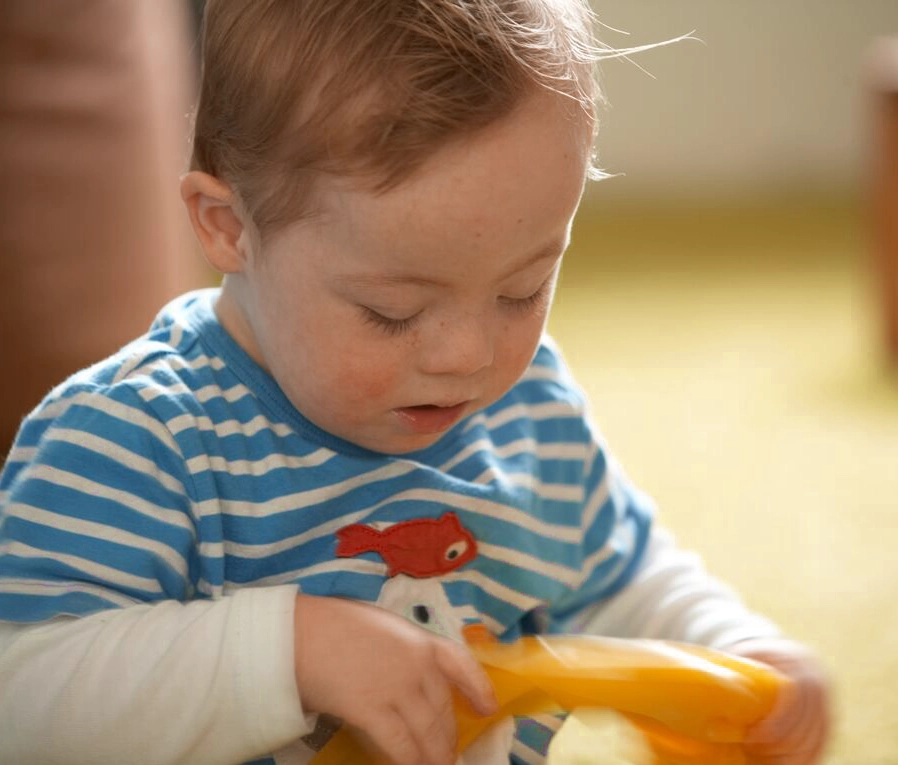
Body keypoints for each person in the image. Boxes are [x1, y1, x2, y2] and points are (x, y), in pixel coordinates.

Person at [0, 2, 830, 764]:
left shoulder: (528, 412)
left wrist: (732, 650)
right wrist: (292, 650)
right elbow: (23, 699)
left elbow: (622, 577)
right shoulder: (138, 439)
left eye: (523, 288)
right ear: (229, 226)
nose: (467, 356)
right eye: (393, 311)